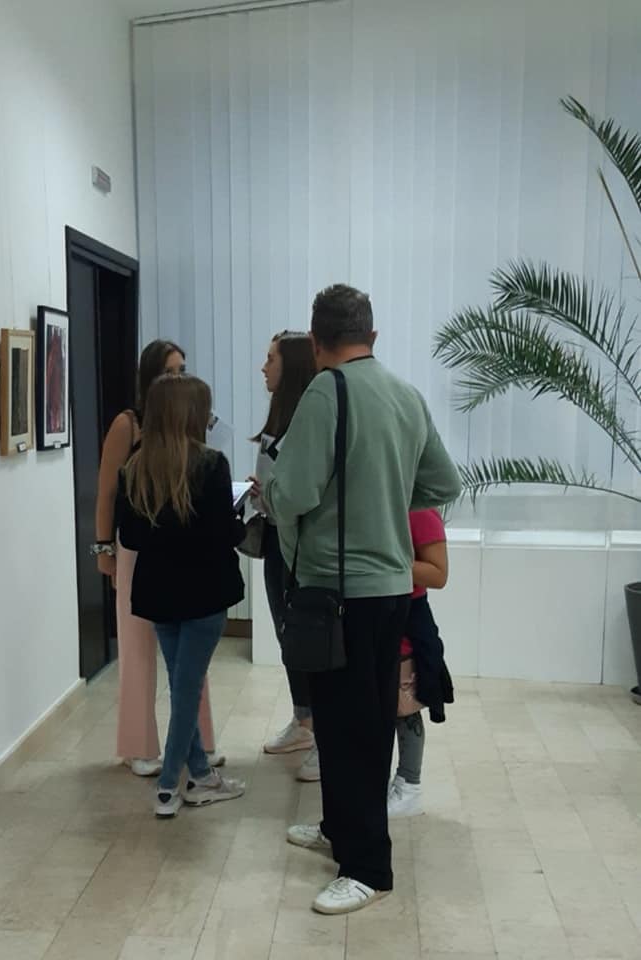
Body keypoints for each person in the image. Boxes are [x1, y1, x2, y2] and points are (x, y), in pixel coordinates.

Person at [262, 284, 461, 916]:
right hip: (391, 591)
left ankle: (368, 867)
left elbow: (293, 494)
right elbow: (443, 482)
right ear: (371, 336)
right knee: (358, 719)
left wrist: (277, 497)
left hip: (338, 590)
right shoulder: (405, 394)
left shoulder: (326, 391)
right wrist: (384, 496)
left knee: (350, 728)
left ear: (318, 342)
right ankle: (341, 829)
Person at [117, 374, 247, 817]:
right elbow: (224, 534)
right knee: (186, 692)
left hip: (159, 594)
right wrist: (241, 519)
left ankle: (203, 776)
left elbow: (131, 538)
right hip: (205, 593)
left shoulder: (135, 468)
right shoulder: (211, 465)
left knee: (182, 686)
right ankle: (169, 786)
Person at [93, 340, 221, 777]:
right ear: (150, 376)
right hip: (136, 547)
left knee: (192, 655)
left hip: (184, 549)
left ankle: (199, 743)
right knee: (137, 649)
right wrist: (103, 549)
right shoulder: (128, 425)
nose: (178, 378)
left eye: (182, 369)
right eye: (169, 371)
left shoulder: (186, 422)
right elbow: (107, 492)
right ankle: (138, 745)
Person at [251, 332, 319, 780]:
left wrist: (271, 492)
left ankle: (320, 731)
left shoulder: (307, 424)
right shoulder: (278, 417)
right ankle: (303, 719)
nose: (264, 367)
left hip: (301, 546)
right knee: (285, 634)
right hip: (275, 538)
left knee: (308, 639)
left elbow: (300, 494)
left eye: (271, 358)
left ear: (290, 366)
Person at [390, 508, 451, 817]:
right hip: (376, 611)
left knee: (405, 705)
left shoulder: (419, 509)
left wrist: (382, 561)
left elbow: (438, 574)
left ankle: (409, 784)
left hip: (407, 616)